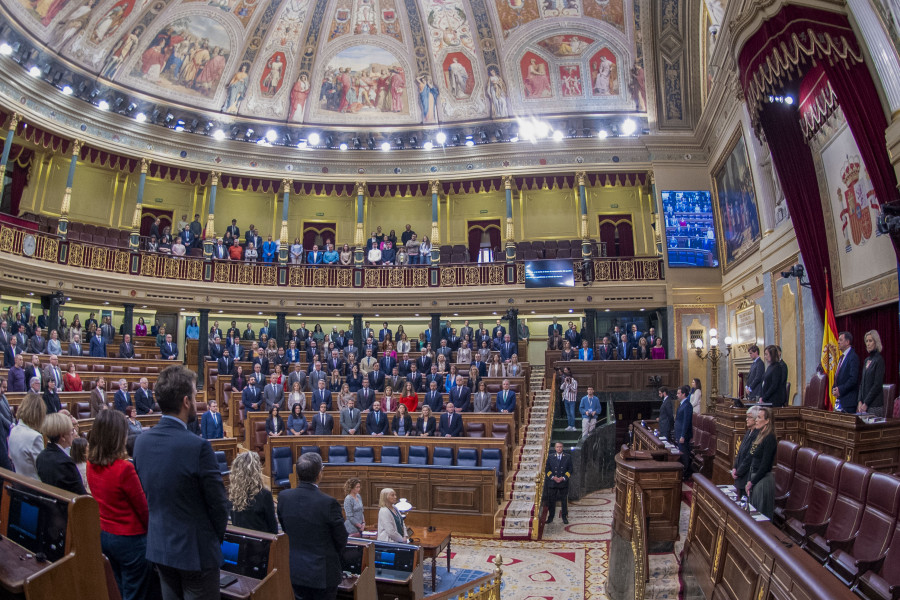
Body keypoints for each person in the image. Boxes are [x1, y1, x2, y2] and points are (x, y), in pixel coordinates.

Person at [133, 365, 229, 599]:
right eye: (195, 398)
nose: (197, 403)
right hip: (196, 555)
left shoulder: (141, 442)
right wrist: (209, 541)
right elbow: (219, 506)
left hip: (160, 549)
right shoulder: (198, 447)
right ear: (186, 402)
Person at [88, 410, 151, 600]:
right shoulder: (124, 468)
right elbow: (143, 510)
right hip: (130, 540)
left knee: (117, 590)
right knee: (135, 592)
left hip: (105, 535)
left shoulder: (91, 463)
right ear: (117, 436)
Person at [277, 452, 348, 600]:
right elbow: (341, 539)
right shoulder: (328, 503)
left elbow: (285, 529)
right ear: (319, 474)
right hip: (322, 575)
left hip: (294, 570)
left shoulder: (284, 497)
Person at [36, 412, 85, 495]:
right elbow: (80, 494)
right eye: (72, 431)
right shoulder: (66, 463)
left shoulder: (41, 456)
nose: (74, 434)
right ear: (62, 437)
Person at [229, 452, 277, 534]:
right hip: (260, 542)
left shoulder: (233, 494)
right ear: (257, 471)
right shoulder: (264, 494)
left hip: (239, 542)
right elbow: (273, 527)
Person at [746, 407, 776, 518]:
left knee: (760, 517)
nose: (756, 420)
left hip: (762, 481)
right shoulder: (760, 435)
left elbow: (764, 466)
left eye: (759, 417)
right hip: (755, 479)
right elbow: (753, 459)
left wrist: (752, 482)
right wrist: (750, 480)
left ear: (767, 420)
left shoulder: (770, 438)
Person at [9, 392, 45, 479]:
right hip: (35, 487)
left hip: (20, 482)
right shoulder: (35, 437)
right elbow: (42, 470)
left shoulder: (14, 430)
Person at [731, 406, 759, 500]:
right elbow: (740, 452)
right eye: (746, 417)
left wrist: (738, 472)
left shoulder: (757, 435)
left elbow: (749, 457)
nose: (747, 419)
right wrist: (734, 467)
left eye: (749, 417)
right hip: (740, 474)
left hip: (746, 476)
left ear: (756, 419)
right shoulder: (748, 432)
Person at [858, 330, 885, 416]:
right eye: (866, 341)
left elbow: (877, 384)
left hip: (874, 405)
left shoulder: (879, 360)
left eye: (870, 341)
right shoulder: (866, 360)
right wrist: (859, 401)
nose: (868, 344)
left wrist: (866, 403)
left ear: (876, 342)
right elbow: (862, 383)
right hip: (863, 405)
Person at [545, 442, 572, 524]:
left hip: (563, 482)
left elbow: (570, 469)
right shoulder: (550, 457)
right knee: (551, 501)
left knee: (564, 501)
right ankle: (551, 517)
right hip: (552, 483)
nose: (559, 448)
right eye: (557, 447)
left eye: (560, 447)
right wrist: (553, 477)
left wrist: (563, 478)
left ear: (562, 447)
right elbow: (547, 469)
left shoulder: (568, 457)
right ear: (555, 448)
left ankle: (564, 516)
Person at [833, 332, 860, 413]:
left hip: (848, 403)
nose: (838, 342)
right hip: (840, 401)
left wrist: (840, 389)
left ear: (847, 342)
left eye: (840, 340)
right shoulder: (842, 357)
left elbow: (853, 379)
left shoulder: (853, 357)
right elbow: (838, 377)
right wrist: (834, 389)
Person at [674, 385, 694, 479]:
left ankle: (686, 473)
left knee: (684, 454)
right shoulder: (682, 404)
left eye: (678, 393)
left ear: (683, 394)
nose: (677, 395)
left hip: (683, 435)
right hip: (679, 433)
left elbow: (686, 422)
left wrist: (682, 435)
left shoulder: (687, 405)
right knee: (681, 453)